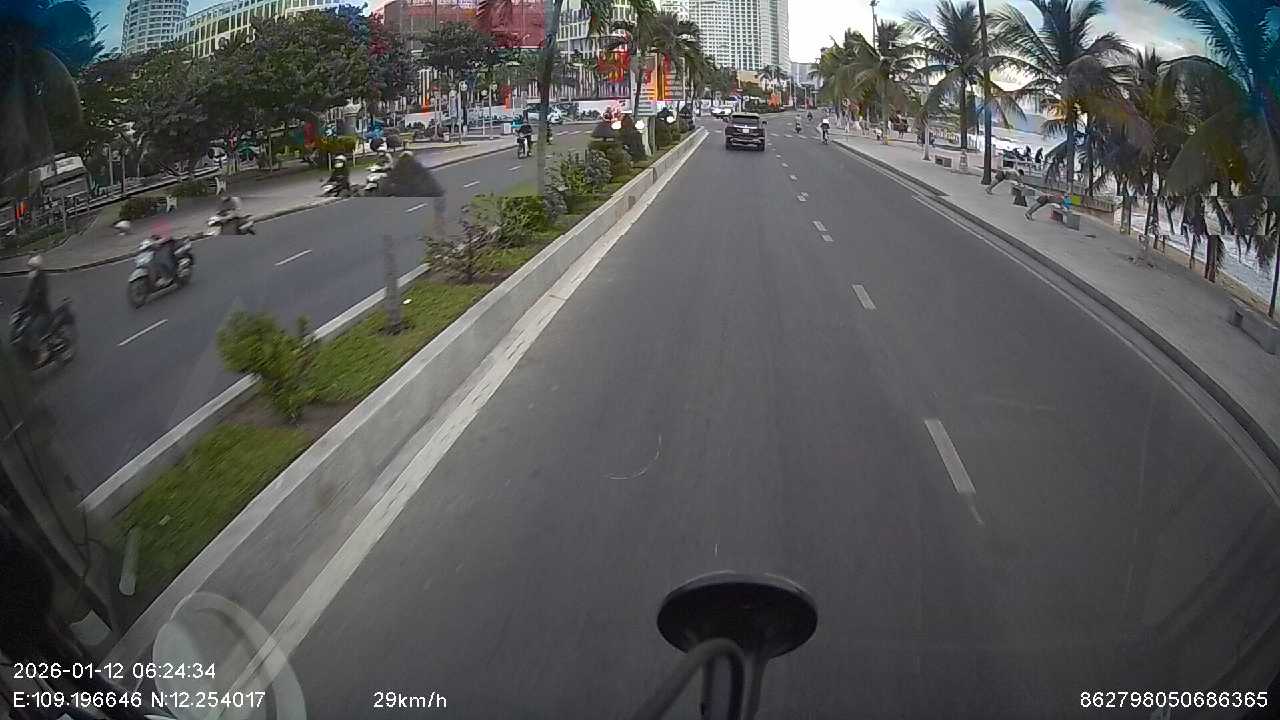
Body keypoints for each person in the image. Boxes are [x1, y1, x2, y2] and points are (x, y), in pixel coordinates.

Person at [20, 255, 51, 364]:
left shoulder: (41, 278)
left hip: (43, 312)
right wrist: (20, 308)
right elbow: (28, 296)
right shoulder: (33, 279)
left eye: (32, 267)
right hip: (34, 312)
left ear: (37, 267)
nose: (30, 270)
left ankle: (44, 351)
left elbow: (41, 292)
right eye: (30, 267)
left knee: (33, 331)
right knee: (24, 329)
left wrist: (34, 298)